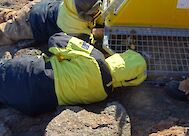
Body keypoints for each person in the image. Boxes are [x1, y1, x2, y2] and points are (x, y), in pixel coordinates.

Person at [0, 32, 147, 116]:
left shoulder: (95, 58)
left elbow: (55, 39)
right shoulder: (104, 94)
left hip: (29, 75)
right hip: (34, 103)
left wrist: (62, 55)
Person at [0, 0, 105, 46]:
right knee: (5, 33)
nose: (96, 12)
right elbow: (87, 40)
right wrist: (101, 33)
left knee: (13, 16)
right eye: (92, 12)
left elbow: (99, 15)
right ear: (82, 14)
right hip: (31, 24)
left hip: (37, 7)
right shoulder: (72, 25)